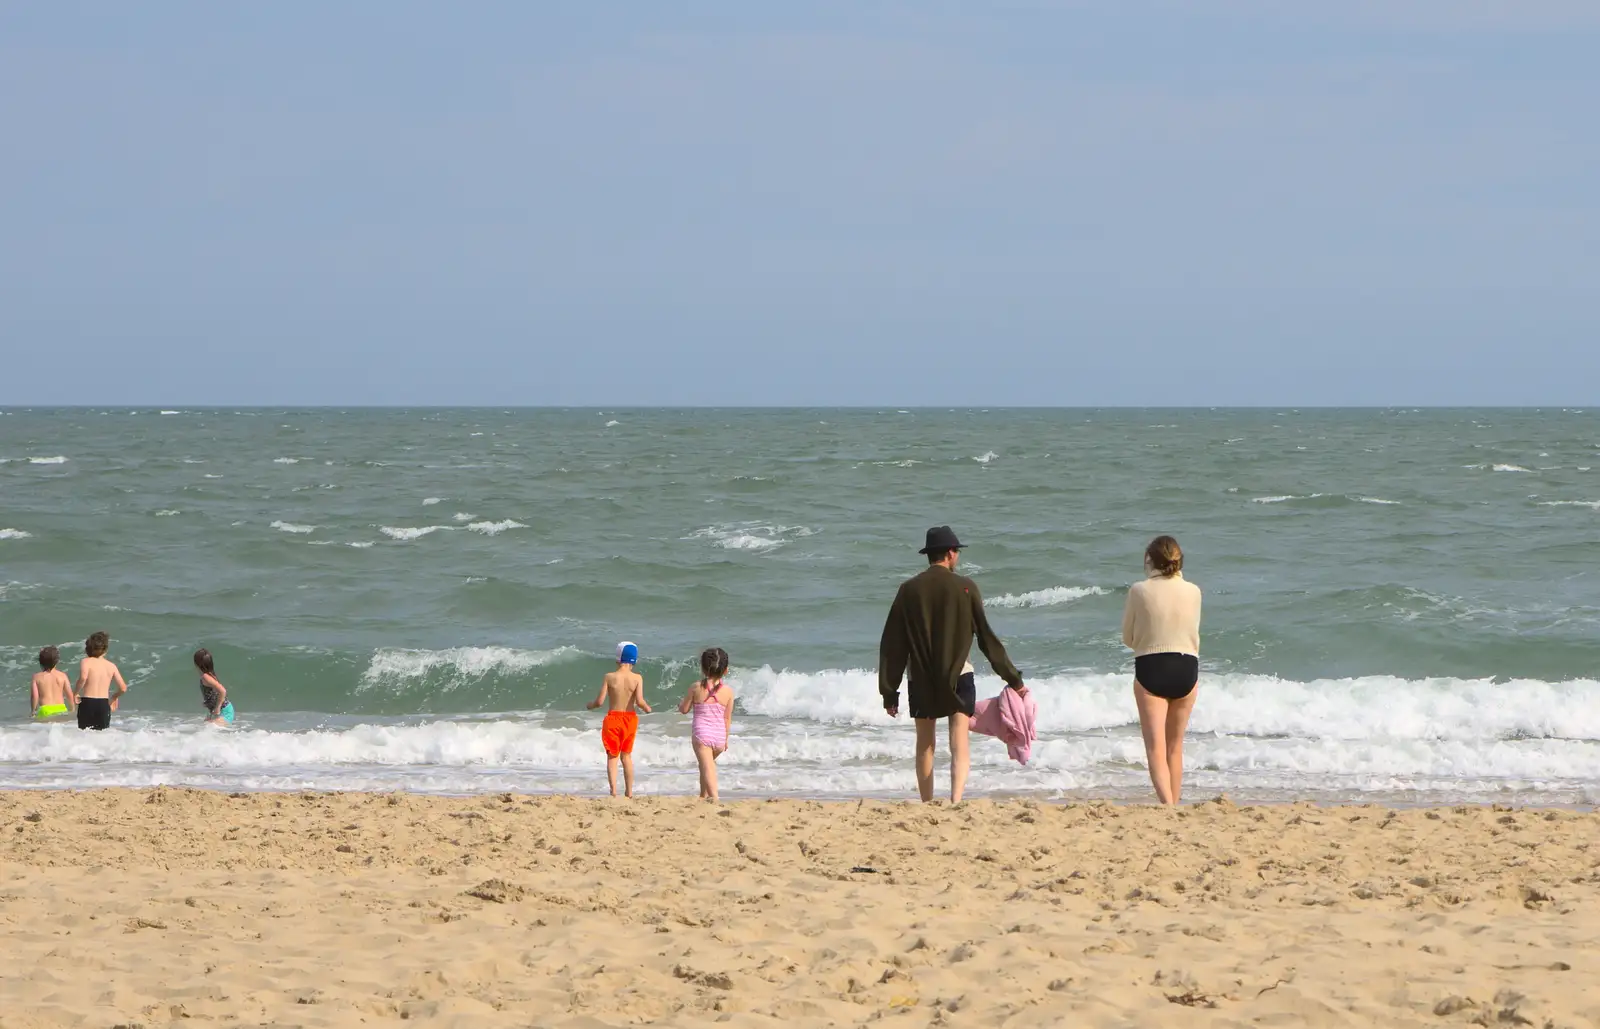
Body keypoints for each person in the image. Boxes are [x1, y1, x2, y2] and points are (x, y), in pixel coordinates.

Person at [879, 526, 1027, 804]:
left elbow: (893, 645)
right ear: (949, 554)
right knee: (959, 740)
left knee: (925, 743)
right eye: (957, 551)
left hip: (921, 676)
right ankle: (956, 800)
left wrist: (889, 692)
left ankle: (927, 802)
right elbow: (986, 638)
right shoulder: (966, 588)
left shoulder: (908, 590)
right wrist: (1014, 680)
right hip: (960, 675)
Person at [1121, 535, 1203, 806]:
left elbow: (1128, 638)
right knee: (1174, 747)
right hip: (1187, 666)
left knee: (1155, 748)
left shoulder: (1138, 590)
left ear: (1149, 561)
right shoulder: (1194, 591)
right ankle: (1175, 804)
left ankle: (1168, 807)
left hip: (1151, 666)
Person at [586, 641, 652, 797]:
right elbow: (640, 701)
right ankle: (629, 792)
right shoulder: (637, 678)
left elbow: (600, 701)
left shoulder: (609, 677)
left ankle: (614, 791)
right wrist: (648, 709)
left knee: (612, 756)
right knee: (626, 756)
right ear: (634, 661)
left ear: (617, 659)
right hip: (630, 719)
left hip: (613, 719)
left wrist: (590, 705)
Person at [678, 647, 733, 801]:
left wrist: (680, 706)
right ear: (726, 670)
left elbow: (684, 709)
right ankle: (703, 796)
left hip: (702, 736)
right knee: (706, 765)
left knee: (708, 767)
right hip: (720, 737)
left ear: (702, 669)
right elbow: (727, 718)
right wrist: (726, 739)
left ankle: (714, 797)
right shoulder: (728, 692)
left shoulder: (696, 687)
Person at [74, 631, 128, 731]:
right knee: (101, 736)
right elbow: (123, 688)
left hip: (87, 703)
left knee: (84, 735)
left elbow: (83, 678)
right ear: (105, 649)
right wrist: (114, 697)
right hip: (103, 704)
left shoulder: (86, 661)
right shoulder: (111, 666)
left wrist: (75, 693)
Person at [30, 646, 74, 721]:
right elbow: (69, 695)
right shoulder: (62, 676)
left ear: (41, 662)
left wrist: (33, 711)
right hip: (61, 708)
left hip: (45, 710)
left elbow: (35, 697)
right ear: (57, 661)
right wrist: (72, 709)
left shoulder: (36, 677)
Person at [193, 648, 235, 725]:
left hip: (224, 711)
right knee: (204, 728)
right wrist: (208, 702)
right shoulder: (209, 675)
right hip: (217, 711)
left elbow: (222, 691)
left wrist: (217, 708)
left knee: (208, 729)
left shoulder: (206, 677)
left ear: (197, 664)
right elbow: (213, 692)